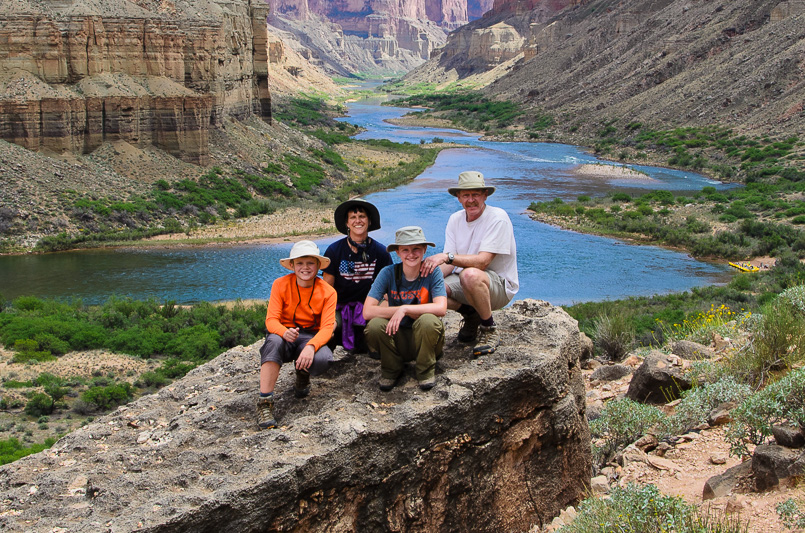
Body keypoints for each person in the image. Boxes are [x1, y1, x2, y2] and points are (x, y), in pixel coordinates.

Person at [420, 171, 518, 358]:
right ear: (458, 197)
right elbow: (448, 265)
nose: (471, 200)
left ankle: (489, 329)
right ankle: (471, 315)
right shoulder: (455, 219)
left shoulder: (498, 217)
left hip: (498, 286)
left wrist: (446, 257)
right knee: (430, 287)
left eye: (475, 195)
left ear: (485, 195)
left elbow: (482, 262)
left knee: (470, 275)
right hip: (467, 281)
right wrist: (424, 281)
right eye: (466, 195)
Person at [256, 240, 337, 430]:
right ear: (292, 265)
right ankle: (265, 403)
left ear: (318, 266)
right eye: (300, 263)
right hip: (284, 333)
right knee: (273, 343)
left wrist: (311, 347)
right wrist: (284, 332)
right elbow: (271, 320)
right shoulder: (280, 284)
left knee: (323, 358)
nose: (305, 268)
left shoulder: (328, 292)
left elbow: (327, 327)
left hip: (309, 335)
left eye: (310, 263)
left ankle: (303, 374)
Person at [364, 226, 447, 391]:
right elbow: (367, 311)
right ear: (398, 253)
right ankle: (391, 370)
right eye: (405, 250)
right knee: (374, 326)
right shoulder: (388, 273)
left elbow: (441, 308)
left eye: (416, 249)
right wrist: (400, 309)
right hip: (398, 338)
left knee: (429, 320)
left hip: (425, 339)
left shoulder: (433, 272)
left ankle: (425, 370)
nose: (411, 254)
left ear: (424, 250)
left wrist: (405, 310)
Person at [323, 198, 393, 356]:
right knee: (328, 326)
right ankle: (325, 351)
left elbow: (388, 291)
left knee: (375, 330)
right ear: (347, 223)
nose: (358, 221)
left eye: (362, 216)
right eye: (353, 217)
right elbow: (326, 290)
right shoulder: (334, 251)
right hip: (340, 307)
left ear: (369, 221)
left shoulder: (381, 252)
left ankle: (374, 341)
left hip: (369, 307)